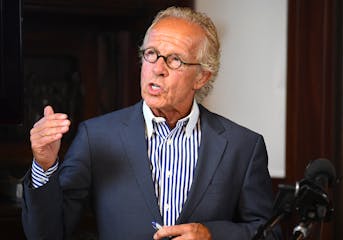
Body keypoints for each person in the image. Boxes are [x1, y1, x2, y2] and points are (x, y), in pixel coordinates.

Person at [22, 6, 280, 240]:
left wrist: (212, 235)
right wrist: (44, 165)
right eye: (151, 54)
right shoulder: (96, 137)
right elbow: (46, 234)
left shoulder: (243, 146)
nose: (157, 68)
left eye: (174, 59)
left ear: (201, 77)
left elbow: (270, 233)